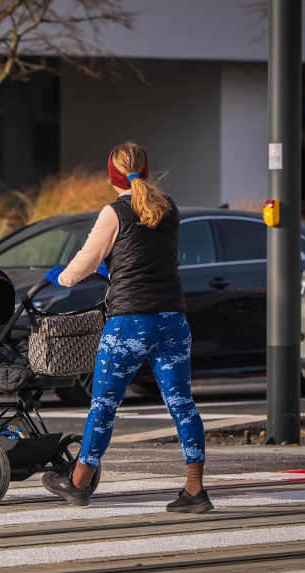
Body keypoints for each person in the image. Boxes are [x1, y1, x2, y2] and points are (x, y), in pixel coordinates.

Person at [41, 141, 212, 513]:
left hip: (130, 323)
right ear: (146, 171)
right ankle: (195, 490)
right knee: (181, 403)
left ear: (111, 176)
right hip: (172, 321)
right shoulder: (168, 209)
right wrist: (113, 268)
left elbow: (81, 265)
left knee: (103, 403)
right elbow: (148, 259)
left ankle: (79, 483)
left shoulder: (113, 211)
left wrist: (61, 277)